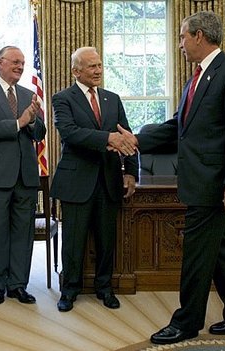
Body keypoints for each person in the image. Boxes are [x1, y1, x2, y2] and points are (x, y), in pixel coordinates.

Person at [118, 11, 225, 344]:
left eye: (182, 37)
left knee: (196, 252)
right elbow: (178, 127)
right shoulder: (195, 78)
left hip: (214, 183)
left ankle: (186, 322)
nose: (180, 44)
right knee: (222, 248)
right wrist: (137, 139)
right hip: (200, 180)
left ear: (199, 36)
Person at [50, 46, 139, 312]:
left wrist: (132, 172)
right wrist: (106, 138)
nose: (98, 70)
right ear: (76, 71)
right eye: (91, 66)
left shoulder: (113, 99)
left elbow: (127, 135)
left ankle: (105, 288)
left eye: (100, 65)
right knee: (73, 241)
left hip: (109, 181)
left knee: (106, 240)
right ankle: (70, 290)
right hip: (77, 181)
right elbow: (69, 133)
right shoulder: (62, 98)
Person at [0, 46, 46, 306]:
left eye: (23, 63)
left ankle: (18, 285)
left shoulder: (28, 94)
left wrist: (34, 122)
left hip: (25, 175)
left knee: (22, 232)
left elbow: (40, 133)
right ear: (0, 62)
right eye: (15, 61)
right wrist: (19, 122)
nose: (20, 66)